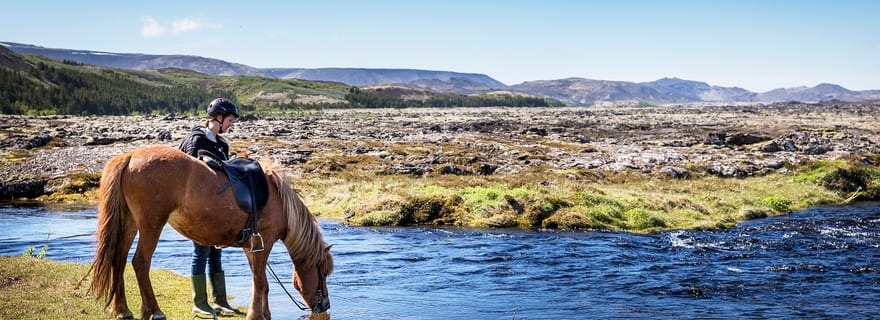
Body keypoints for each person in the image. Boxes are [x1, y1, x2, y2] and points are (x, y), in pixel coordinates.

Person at [177, 97, 241, 317]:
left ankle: (221, 301)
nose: (231, 125)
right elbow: (189, 176)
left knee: (215, 253)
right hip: (197, 208)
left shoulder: (222, 144)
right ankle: (199, 303)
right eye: (230, 120)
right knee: (200, 252)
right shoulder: (195, 140)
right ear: (219, 117)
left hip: (217, 208)